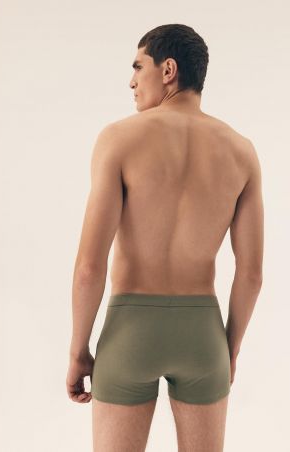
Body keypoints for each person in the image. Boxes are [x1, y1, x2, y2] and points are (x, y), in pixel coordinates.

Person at [66, 23, 264, 452]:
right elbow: (251, 274)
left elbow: (88, 268)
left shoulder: (119, 139)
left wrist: (79, 350)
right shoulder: (241, 151)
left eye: (139, 67)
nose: (132, 81)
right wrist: (227, 349)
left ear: (168, 70)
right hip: (202, 335)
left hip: (130, 333)